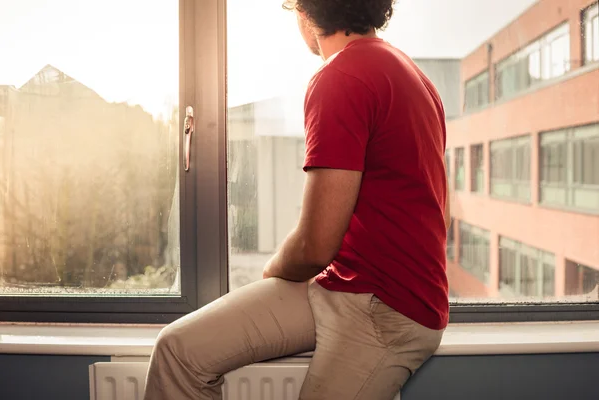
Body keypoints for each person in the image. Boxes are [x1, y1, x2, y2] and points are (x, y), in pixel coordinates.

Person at [144, 0, 450, 398]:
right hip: (340, 287)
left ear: (306, 14)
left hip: (388, 309)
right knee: (178, 352)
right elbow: (441, 212)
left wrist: (273, 270)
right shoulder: (415, 77)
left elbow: (314, 246)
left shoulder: (342, 77)